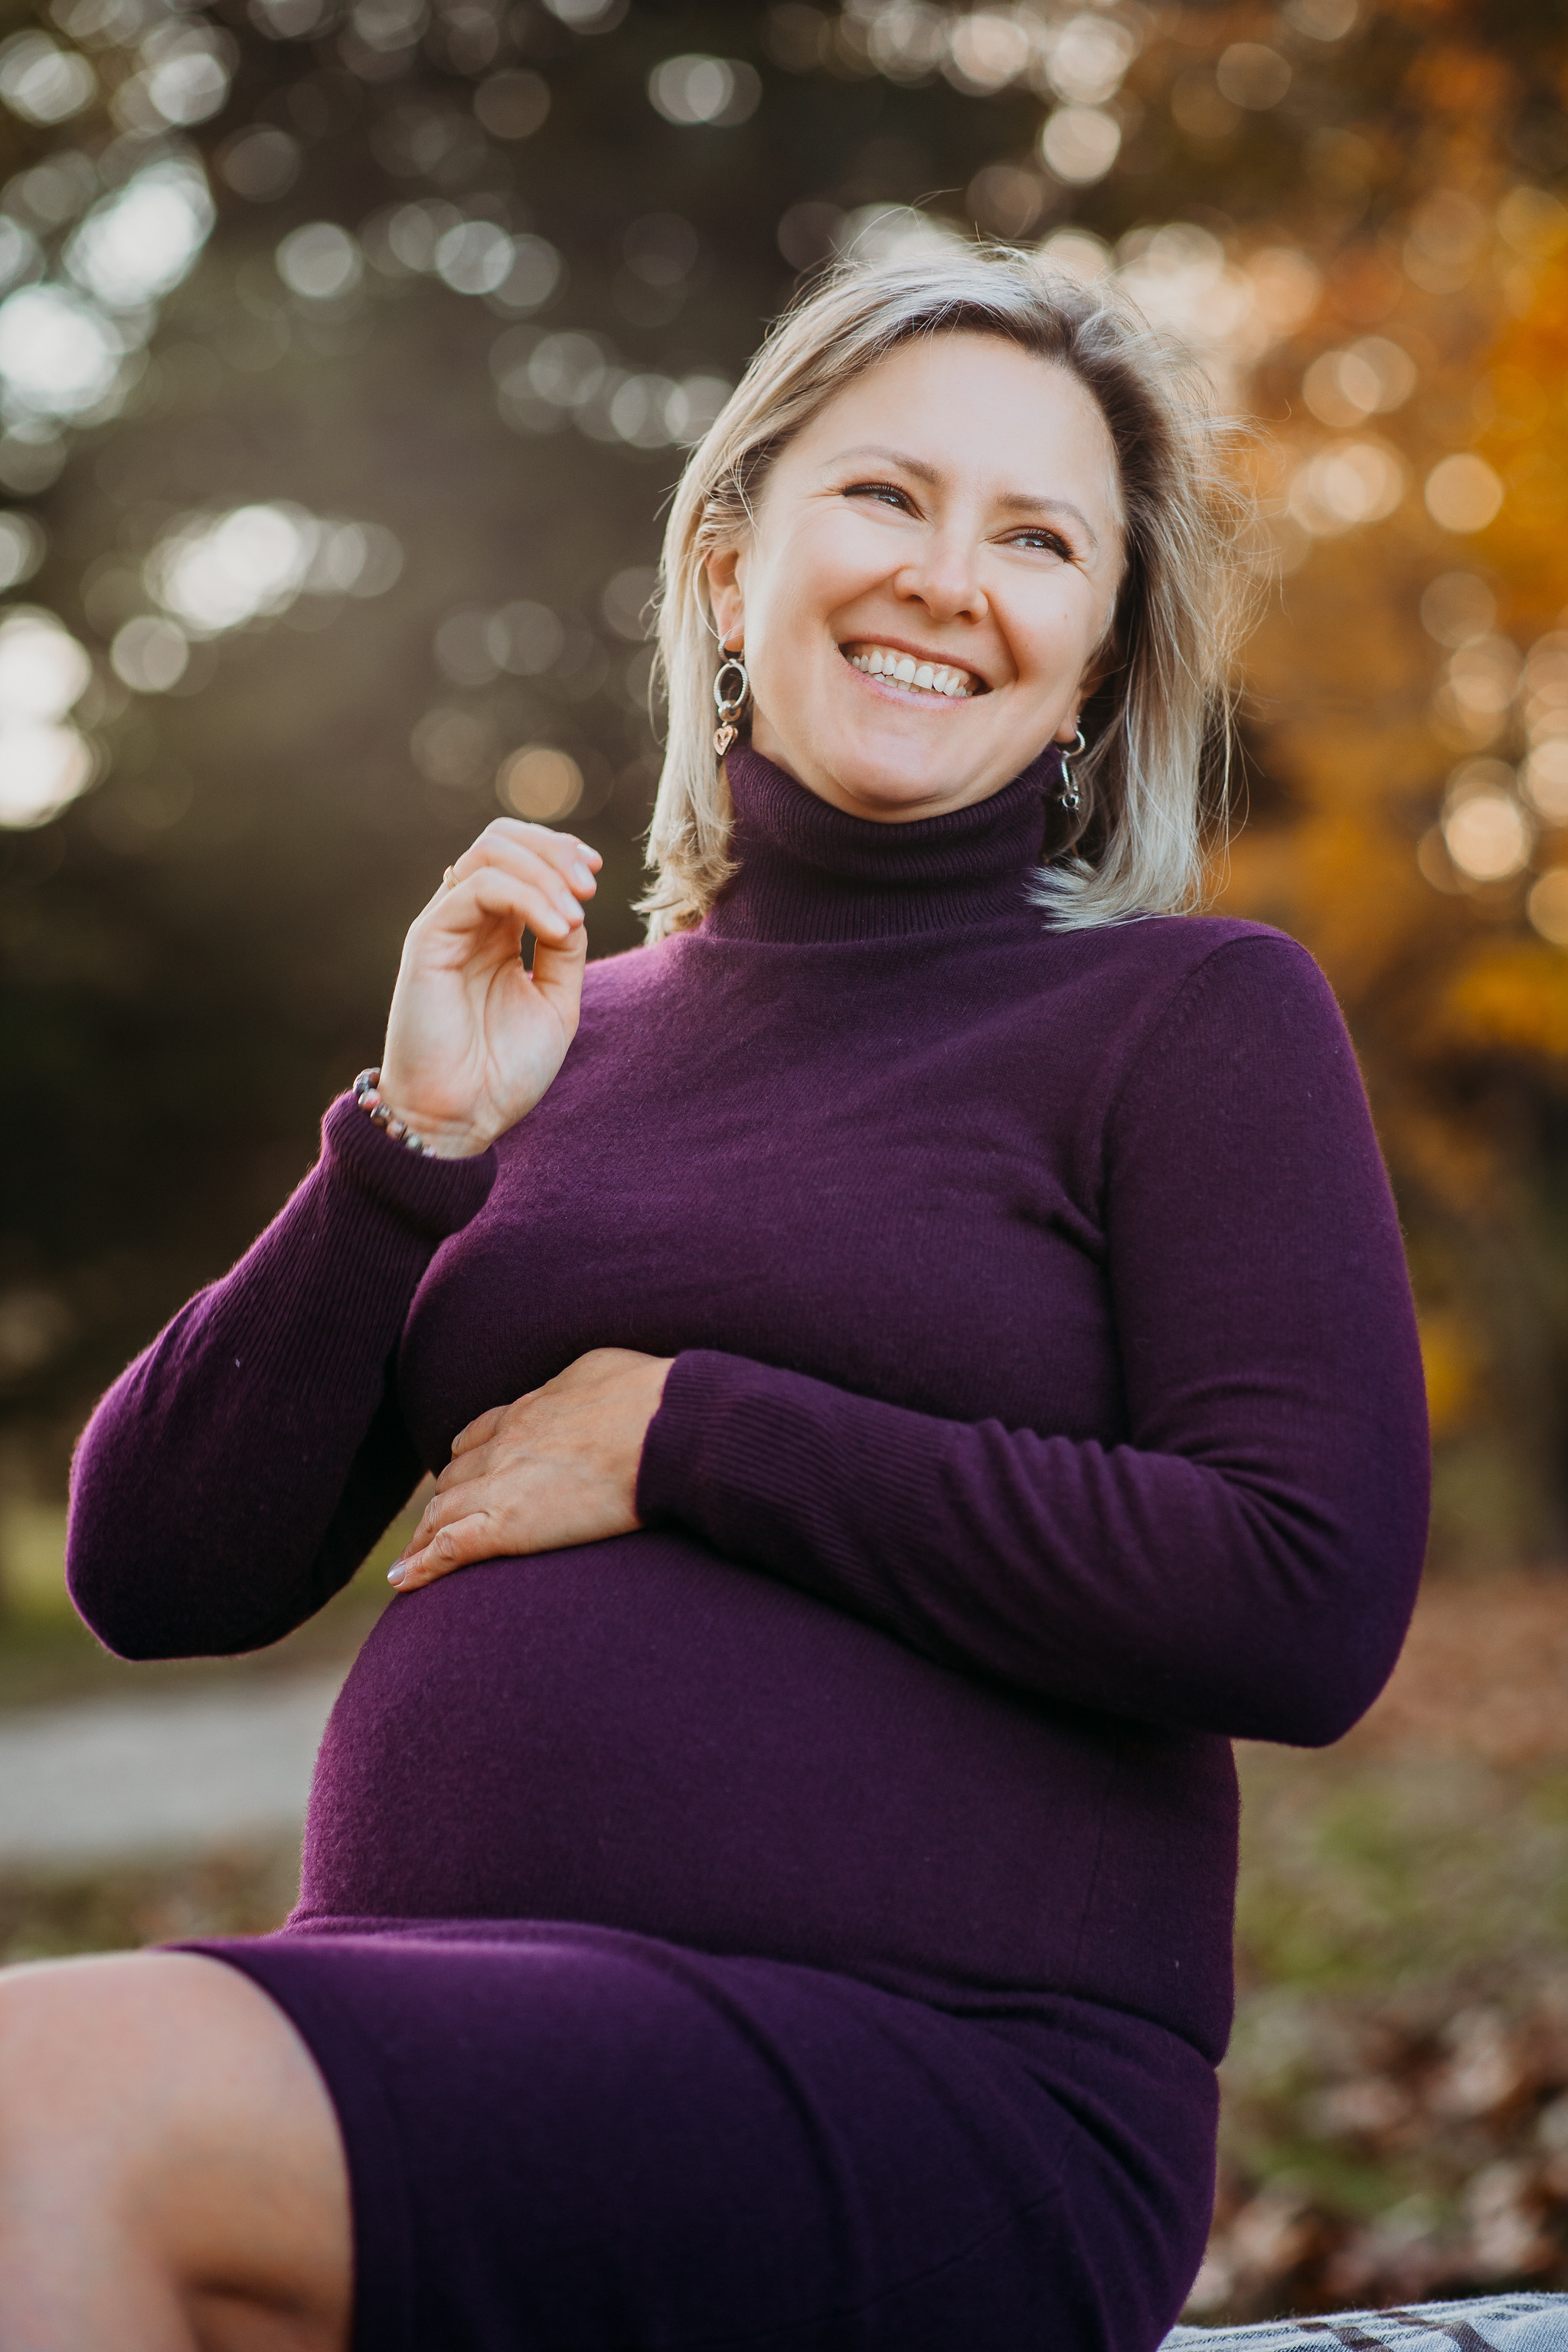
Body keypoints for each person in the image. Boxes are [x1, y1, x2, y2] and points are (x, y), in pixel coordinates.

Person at [35, 249, 1428, 2352]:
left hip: (945, 2080)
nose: (949, 578)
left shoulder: (1186, 1018)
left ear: (1096, 661)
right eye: (886, 496)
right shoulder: (547, 1037)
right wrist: (402, 1154)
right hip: (436, 2044)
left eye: (1037, 538)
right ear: (724, 557)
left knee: (44, 2108)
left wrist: (695, 1437)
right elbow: (154, 1568)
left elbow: (1301, 1593)